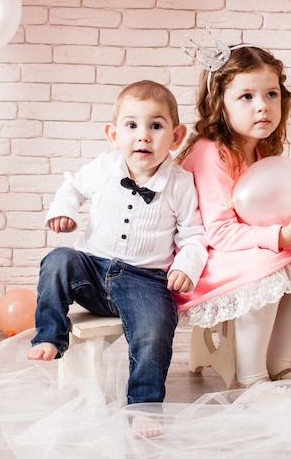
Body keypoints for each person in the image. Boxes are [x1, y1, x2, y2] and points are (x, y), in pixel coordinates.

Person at [27, 80, 208, 412]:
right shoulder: (103, 167)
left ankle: (144, 405)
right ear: (113, 135)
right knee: (57, 259)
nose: (143, 135)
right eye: (131, 125)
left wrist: (186, 266)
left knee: (155, 330)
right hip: (91, 273)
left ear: (176, 136)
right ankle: (50, 334)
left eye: (156, 125)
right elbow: (72, 189)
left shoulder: (180, 184)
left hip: (145, 281)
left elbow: (194, 236)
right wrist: (64, 211)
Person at [175, 42, 291, 388]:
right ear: (220, 103)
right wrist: (283, 237)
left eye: (271, 94)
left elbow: (279, 209)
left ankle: (279, 361)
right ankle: (252, 375)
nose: (263, 106)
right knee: (264, 269)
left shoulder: (261, 151)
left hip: (240, 249)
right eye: (246, 96)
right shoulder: (210, 153)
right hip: (203, 259)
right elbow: (219, 232)